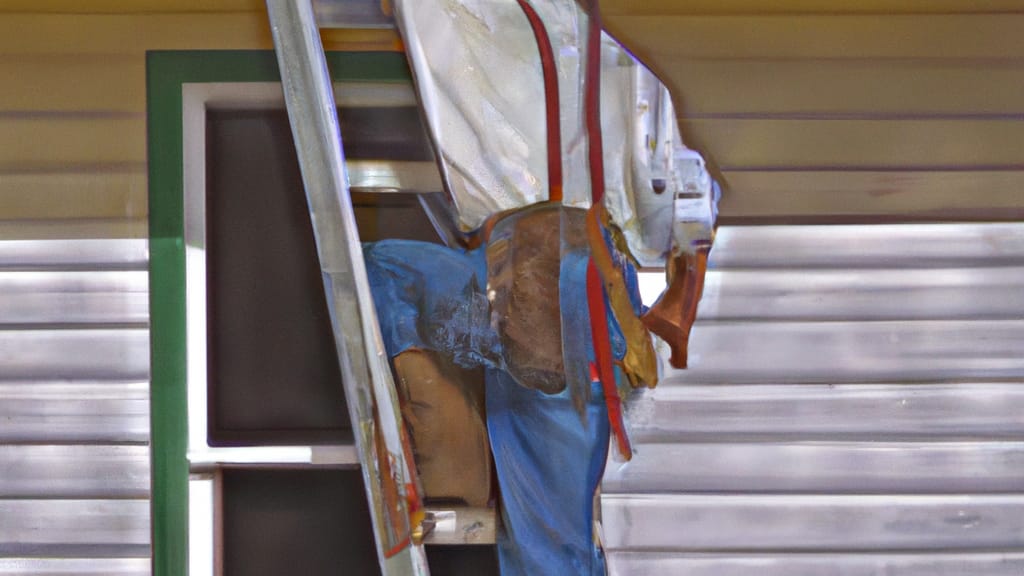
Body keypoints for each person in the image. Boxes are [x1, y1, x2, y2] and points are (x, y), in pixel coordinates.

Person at [365, 1, 719, 573]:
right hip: (583, 288)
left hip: (536, 285)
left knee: (380, 271)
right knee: (554, 546)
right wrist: (684, 289)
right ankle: (437, 446)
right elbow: (674, 214)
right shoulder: (627, 54)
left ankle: (431, 445)